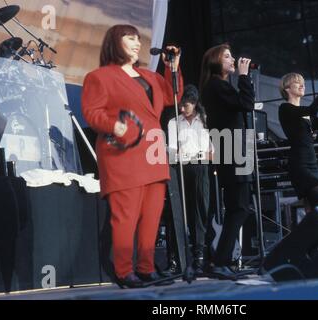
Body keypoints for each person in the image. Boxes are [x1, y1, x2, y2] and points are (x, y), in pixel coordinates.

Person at [81, 24, 183, 288]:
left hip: (152, 153)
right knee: (125, 216)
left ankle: (146, 268)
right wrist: (113, 125)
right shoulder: (100, 77)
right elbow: (92, 112)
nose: (137, 43)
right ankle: (124, 271)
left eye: (139, 39)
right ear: (116, 42)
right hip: (123, 154)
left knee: (151, 216)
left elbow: (174, 97)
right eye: (130, 38)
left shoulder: (149, 76)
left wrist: (173, 67)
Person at [199, 44, 254, 280]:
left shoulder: (222, 86)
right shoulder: (215, 85)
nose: (233, 59)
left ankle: (221, 261)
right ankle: (220, 261)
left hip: (236, 148)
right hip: (230, 149)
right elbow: (246, 104)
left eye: (232, 56)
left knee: (240, 206)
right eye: (228, 56)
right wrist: (243, 77)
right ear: (215, 62)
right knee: (238, 207)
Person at [167, 84, 213, 275]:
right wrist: (186, 155)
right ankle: (176, 258)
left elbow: (211, 151)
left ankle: (199, 255)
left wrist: (197, 155)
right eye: (182, 104)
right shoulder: (173, 123)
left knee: (200, 209)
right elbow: (171, 150)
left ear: (194, 104)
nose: (184, 108)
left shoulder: (203, 121)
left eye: (187, 104)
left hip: (200, 168)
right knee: (178, 212)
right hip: (180, 168)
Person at [278, 72, 318, 211]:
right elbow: (313, 109)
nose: (302, 85)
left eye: (302, 82)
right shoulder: (285, 108)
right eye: (297, 82)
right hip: (300, 164)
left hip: (312, 164)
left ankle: (310, 233)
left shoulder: (305, 114)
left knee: (314, 210)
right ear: (287, 88)